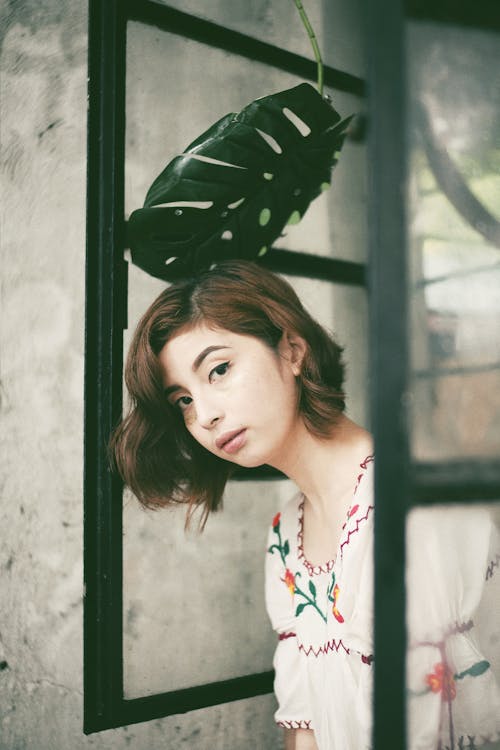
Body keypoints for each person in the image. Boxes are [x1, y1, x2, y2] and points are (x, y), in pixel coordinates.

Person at [111, 260, 500, 750]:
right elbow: (304, 726)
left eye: (220, 370)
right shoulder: (284, 538)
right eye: (182, 401)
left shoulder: (410, 507)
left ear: (292, 350)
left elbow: (445, 713)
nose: (205, 414)